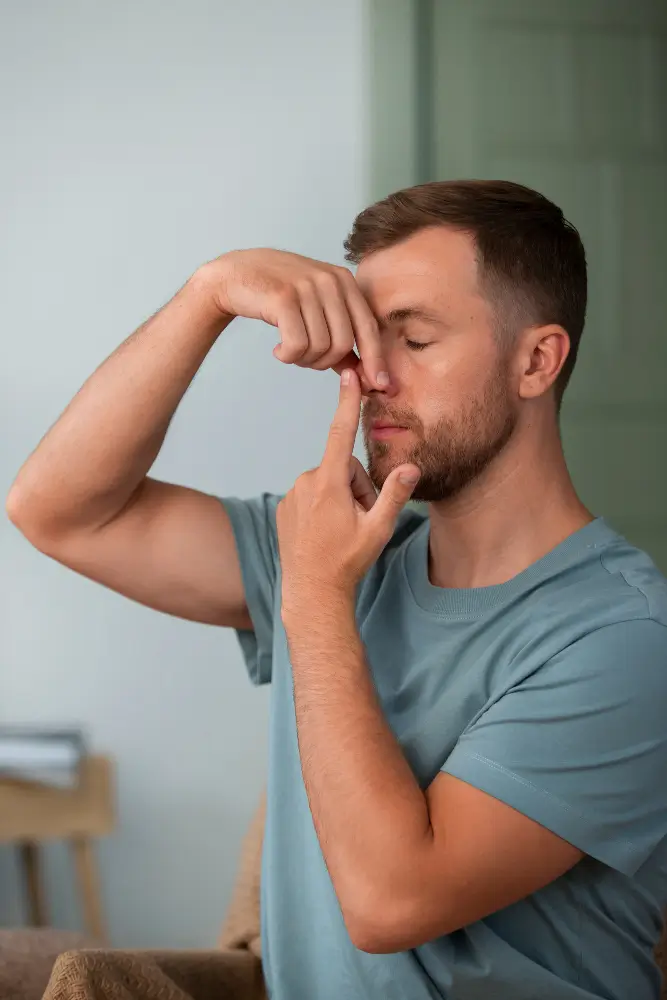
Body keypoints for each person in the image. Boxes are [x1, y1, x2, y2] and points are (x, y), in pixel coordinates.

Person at [7, 179, 667, 1000]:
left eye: (413, 339)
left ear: (536, 361)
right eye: (363, 344)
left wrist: (315, 598)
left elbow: (391, 903)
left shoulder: (621, 638)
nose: (371, 377)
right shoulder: (344, 554)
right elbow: (57, 511)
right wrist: (209, 293)